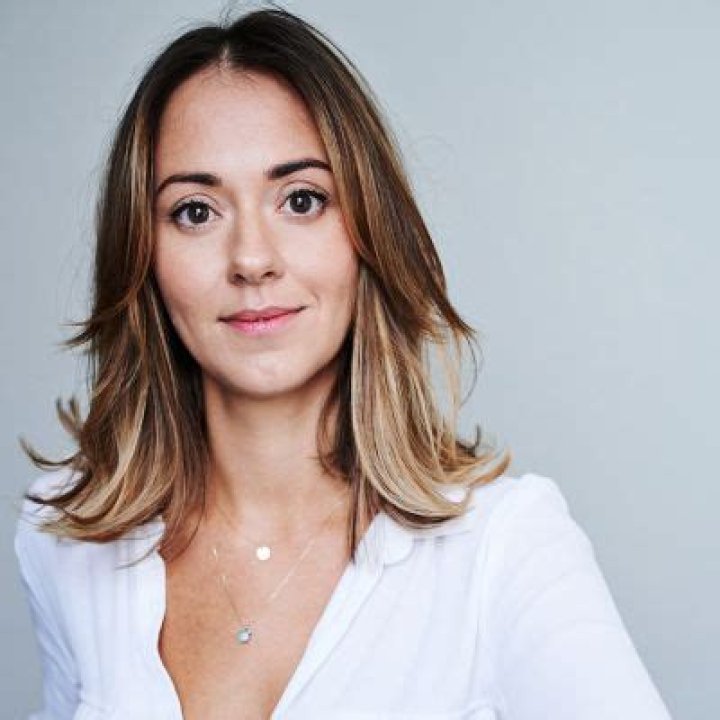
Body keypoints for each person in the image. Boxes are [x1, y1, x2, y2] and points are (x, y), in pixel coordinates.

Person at [13, 7, 672, 720]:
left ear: (367, 233)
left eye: (301, 200)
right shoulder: (65, 544)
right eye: (196, 211)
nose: (252, 259)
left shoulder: (503, 548)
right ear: (141, 254)